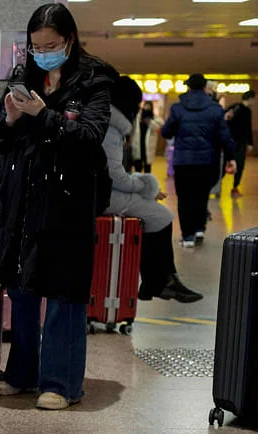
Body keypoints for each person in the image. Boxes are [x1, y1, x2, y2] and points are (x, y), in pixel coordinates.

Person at [0, 3, 117, 410]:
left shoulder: (94, 80)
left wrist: (44, 114)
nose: (42, 53)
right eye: (35, 47)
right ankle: (22, 373)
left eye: (50, 46)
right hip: (24, 199)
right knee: (22, 289)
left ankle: (61, 384)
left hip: (67, 202)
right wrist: (11, 119)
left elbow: (89, 137)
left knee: (63, 293)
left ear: (70, 40)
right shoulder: (24, 76)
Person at [103, 77, 202, 303]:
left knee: (156, 212)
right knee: (160, 215)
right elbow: (115, 177)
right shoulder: (111, 129)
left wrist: (141, 185)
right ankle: (159, 282)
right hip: (101, 195)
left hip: (99, 190)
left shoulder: (106, 123)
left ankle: (157, 282)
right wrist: (145, 186)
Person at [160, 74, 236, 248]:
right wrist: (231, 157)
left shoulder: (178, 108)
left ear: (188, 87)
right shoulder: (216, 109)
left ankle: (187, 236)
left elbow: (166, 132)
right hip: (207, 161)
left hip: (183, 162)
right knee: (201, 195)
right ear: (204, 88)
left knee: (185, 198)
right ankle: (199, 228)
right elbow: (225, 137)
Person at [225, 90, 254, 197]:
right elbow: (226, 119)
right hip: (232, 141)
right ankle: (216, 187)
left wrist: (250, 142)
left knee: (240, 165)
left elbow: (248, 128)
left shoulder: (248, 111)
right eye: (254, 100)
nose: (254, 102)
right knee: (226, 163)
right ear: (250, 99)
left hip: (241, 142)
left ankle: (235, 187)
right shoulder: (236, 107)